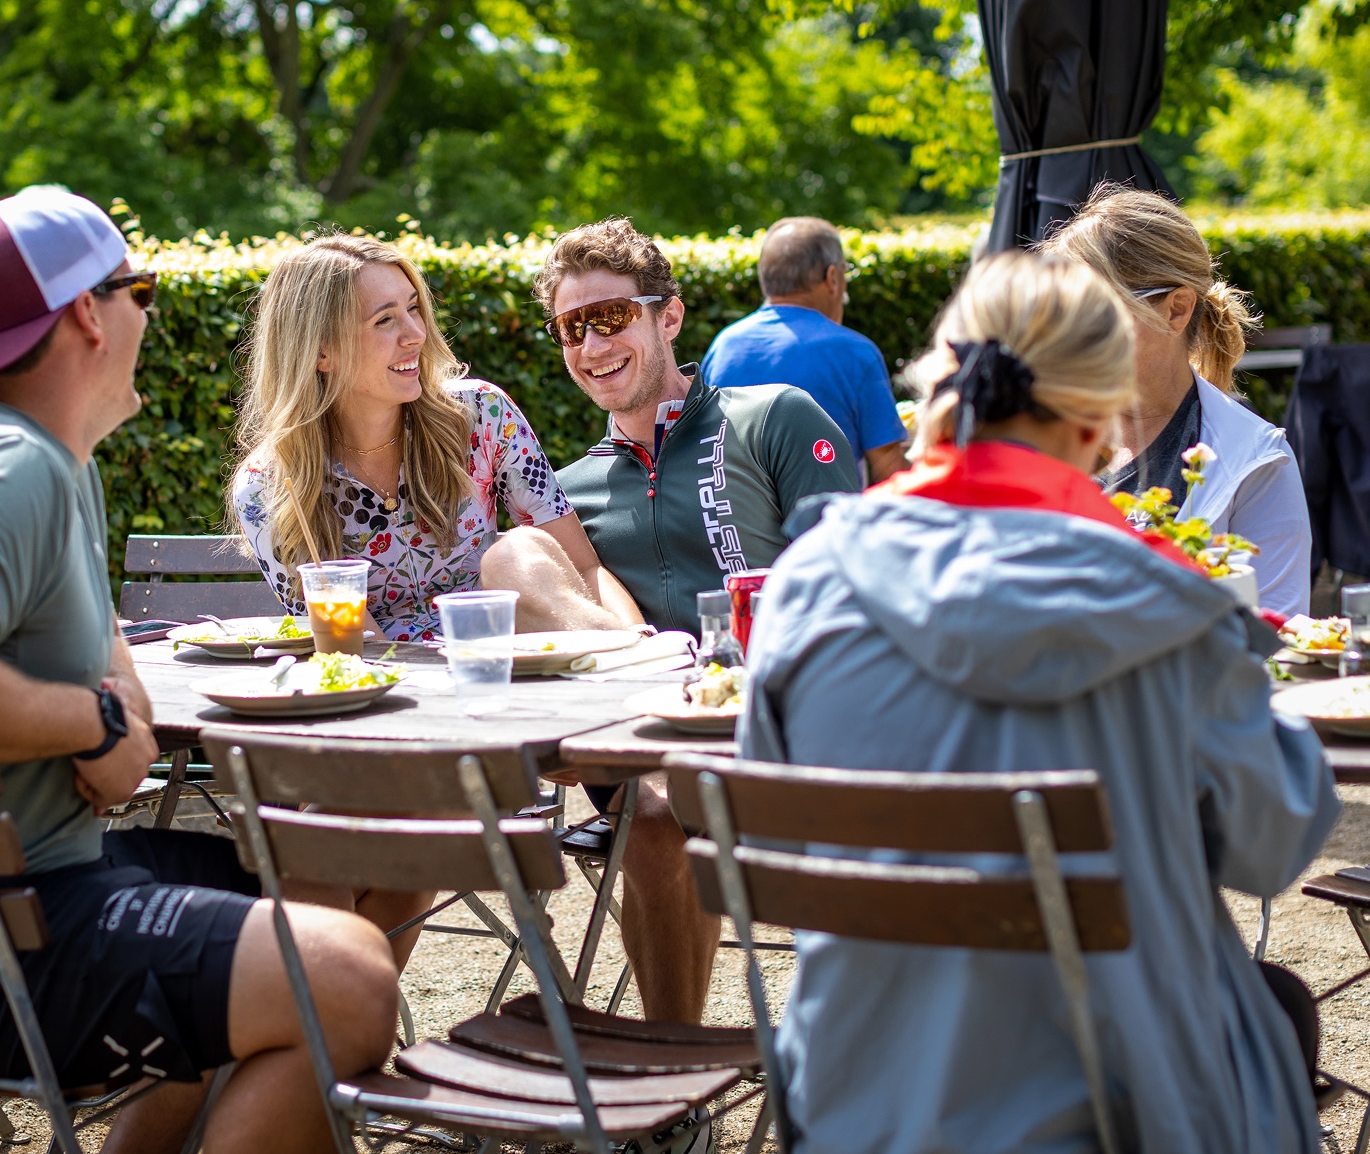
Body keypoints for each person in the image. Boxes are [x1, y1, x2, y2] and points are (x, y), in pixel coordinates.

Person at [0, 188, 398, 1154]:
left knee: (315, 876)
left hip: (1, 897)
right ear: (89, 311)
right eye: (145, 289)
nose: (149, 315)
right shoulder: (5, 468)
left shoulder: (49, 462)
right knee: (345, 980)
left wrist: (101, 723)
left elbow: (129, 741)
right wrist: (84, 722)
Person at [745, 250, 1338, 1153]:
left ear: (939, 392)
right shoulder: (1171, 611)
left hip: (860, 1107)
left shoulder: (805, 586)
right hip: (1120, 1114)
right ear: (1104, 422)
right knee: (1275, 1005)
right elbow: (1273, 841)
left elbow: (779, 837)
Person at [538, 218, 856, 1050]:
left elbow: (851, 577)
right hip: (643, 749)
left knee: (671, 800)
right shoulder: (571, 494)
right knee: (650, 811)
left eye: (610, 317)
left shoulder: (774, 417)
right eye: (571, 328)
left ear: (668, 317)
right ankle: (671, 1079)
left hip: (781, 734)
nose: (591, 345)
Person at [230, 232, 642, 642]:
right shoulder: (268, 487)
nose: (416, 334)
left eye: (413, 309)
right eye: (385, 320)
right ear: (321, 352)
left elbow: (584, 569)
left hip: (513, 659)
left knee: (516, 553)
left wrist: (644, 641)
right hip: (392, 686)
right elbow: (352, 648)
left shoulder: (483, 415)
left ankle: (627, 655)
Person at [1042, 184, 1311, 616]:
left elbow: (1275, 640)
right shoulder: (1037, 435)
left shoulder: (1255, 462)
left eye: (1095, 310)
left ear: (1176, 309)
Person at [701, 216, 909, 484]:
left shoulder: (724, 346)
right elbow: (890, 472)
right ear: (832, 278)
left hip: (738, 524)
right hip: (830, 522)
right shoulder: (856, 353)